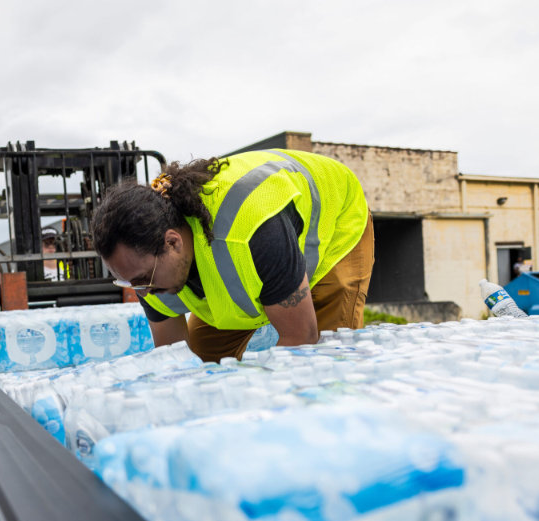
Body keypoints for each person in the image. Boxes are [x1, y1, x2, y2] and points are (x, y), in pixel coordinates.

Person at [92, 149, 374, 363]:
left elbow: (301, 338)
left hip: (336, 220)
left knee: (327, 364)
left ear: (172, 242)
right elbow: (174, 367)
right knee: (204, 368)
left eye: (143, 280)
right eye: (131, 284)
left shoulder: (252, 232)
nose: (144, 292)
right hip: (256, 255)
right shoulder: (145, 269)